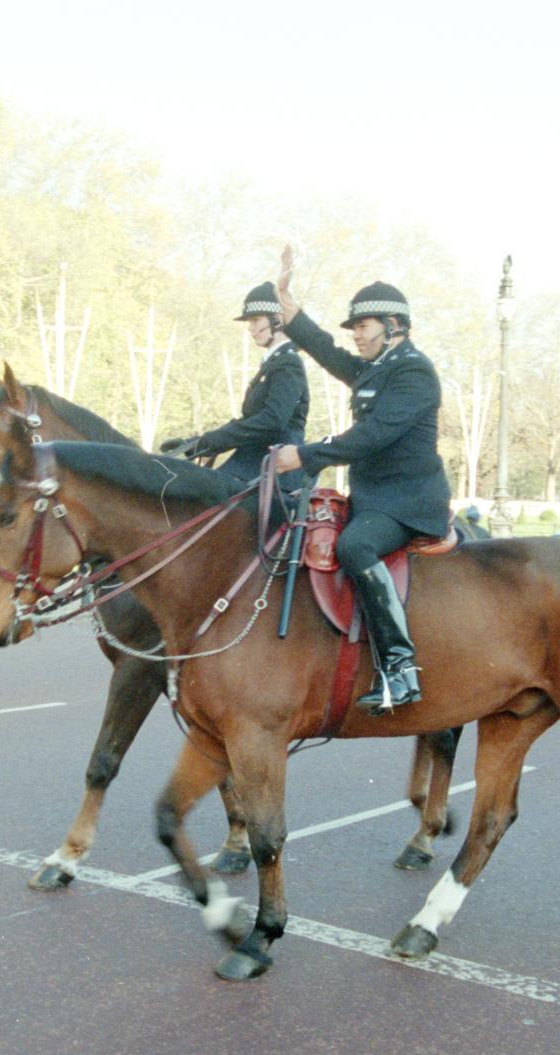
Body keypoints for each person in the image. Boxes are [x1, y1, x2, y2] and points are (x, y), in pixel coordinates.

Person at [271, 246, 451, 713]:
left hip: (407, 504)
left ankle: (400, 668)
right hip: (374, 498)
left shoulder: (413, 371)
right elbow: (328, 353)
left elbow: (372, 436)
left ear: (393, 326)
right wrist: (290, 310)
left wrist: (304, 455)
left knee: (355, 547)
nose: (354, 335)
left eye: (362, 326)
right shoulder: (377, 368)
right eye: (353, 328)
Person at [160, 282, 310, 491]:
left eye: (255, 320)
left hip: (275, 465)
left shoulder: (288, 364)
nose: (250, 328)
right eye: (249, 321)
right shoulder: (274, 363)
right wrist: (198, 443)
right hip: (252, 460)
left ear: (278, 319)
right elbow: (249, 421)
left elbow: (272, 420)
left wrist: (209, 443)